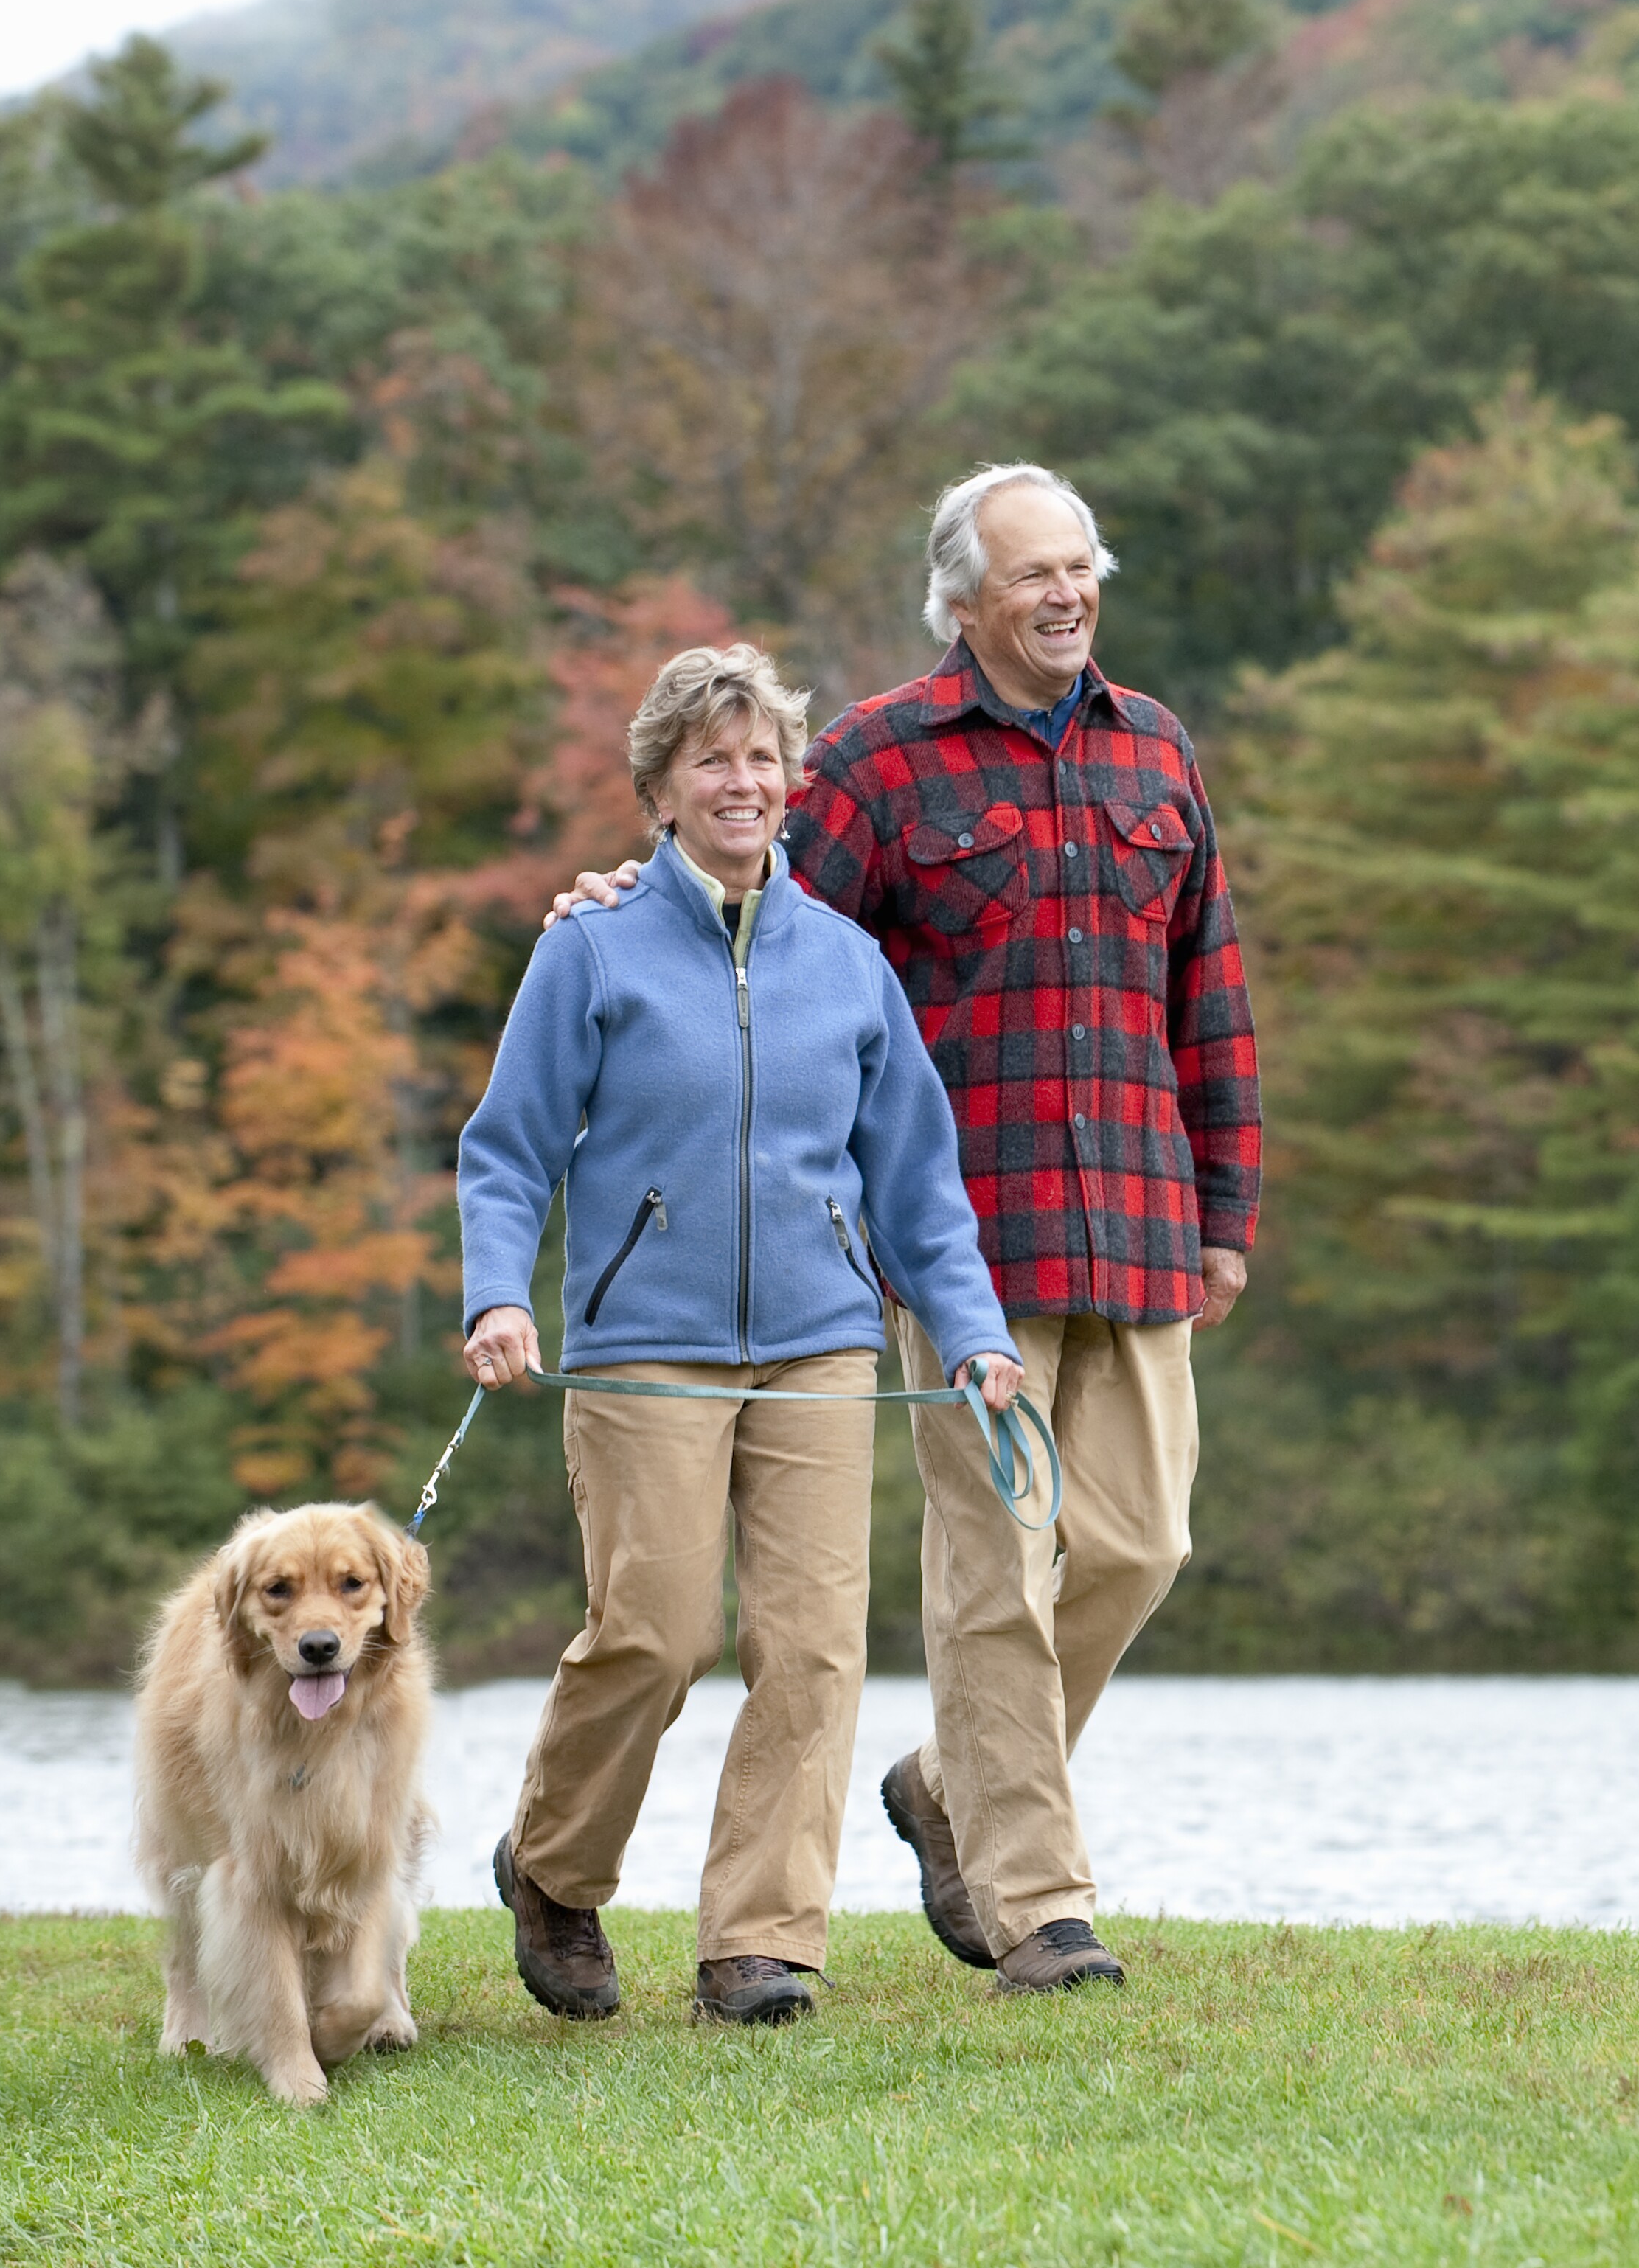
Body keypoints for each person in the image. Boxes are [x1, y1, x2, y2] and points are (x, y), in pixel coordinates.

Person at [551, 463, 1259, 1995]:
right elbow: (748, 928)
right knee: (996, 1571)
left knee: (1139, 1547)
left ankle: (949, 1788)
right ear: (963, 603)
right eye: (1032, 576)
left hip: (1137, 1216)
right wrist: (617, 895)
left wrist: (1225, 1209)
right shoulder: (876, 763)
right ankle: (1039, 1908)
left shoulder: (1157, 750)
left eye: (1082, 568)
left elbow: (1210, 986)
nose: (1067, 595)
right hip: (960, 1238)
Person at [461, 642, 1023, 2029]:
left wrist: (972, 1331)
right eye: (713, 758)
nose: (742, 780)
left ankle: (760, 1939)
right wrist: (498, 1292)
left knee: (818, 1646)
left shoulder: (849, 963)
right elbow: (507, 1150)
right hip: (644, 1341)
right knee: (652, 1632)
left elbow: (917, 1179)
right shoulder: (588, 949)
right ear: (661, 786)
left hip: (823, 1347)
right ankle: (553, 1866)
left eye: (763, 756)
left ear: (792, 783)